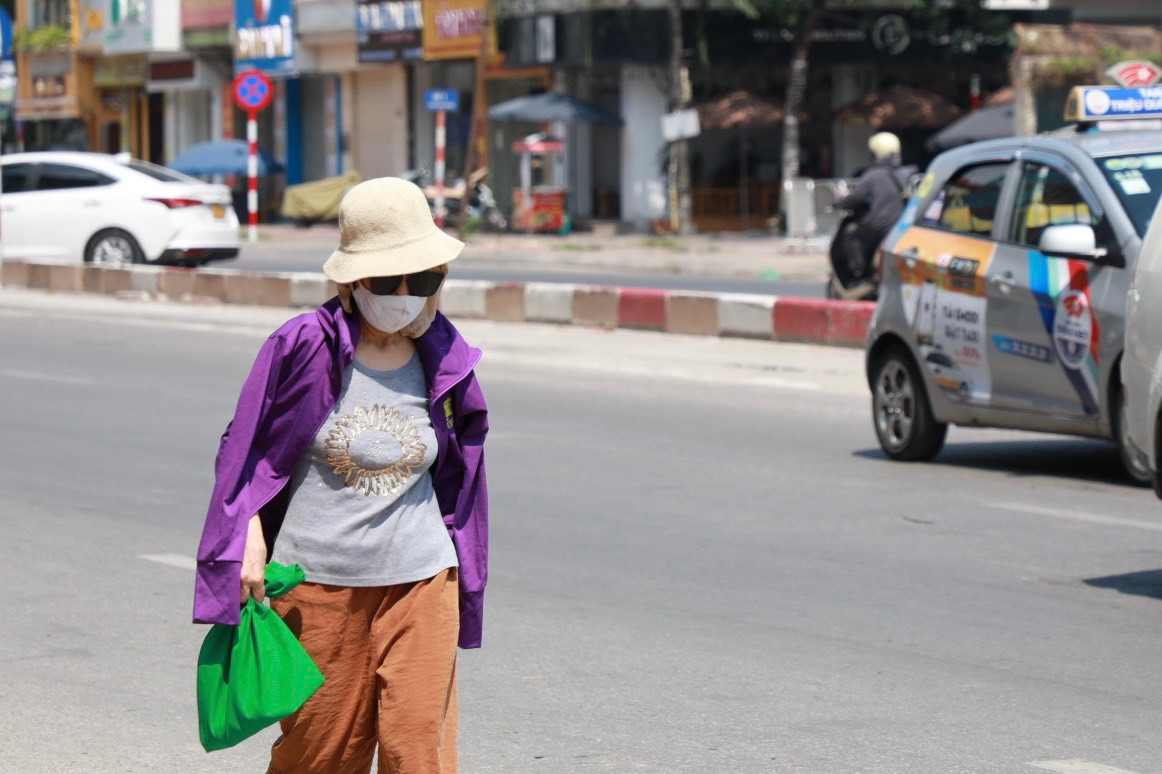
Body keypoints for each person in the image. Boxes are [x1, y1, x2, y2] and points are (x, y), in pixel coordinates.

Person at [193, 176, 489, 773]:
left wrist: (466, 569)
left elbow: (464, 471)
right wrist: (245, 532)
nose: (405, 294)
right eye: (387, 281)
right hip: (317, 587)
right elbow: (242, 446)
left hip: (422, 581)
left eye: (424, 279)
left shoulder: (445, 356)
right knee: (320, 756)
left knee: (419, 753)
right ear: (353, 280)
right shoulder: (303, 345)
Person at [834, 132, 916, 281]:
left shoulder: (873, 175)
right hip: (903, 226)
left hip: (879, 224)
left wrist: (839, 202)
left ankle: (858, 274)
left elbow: (856, 198)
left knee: (852, 236)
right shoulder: (908, 173)